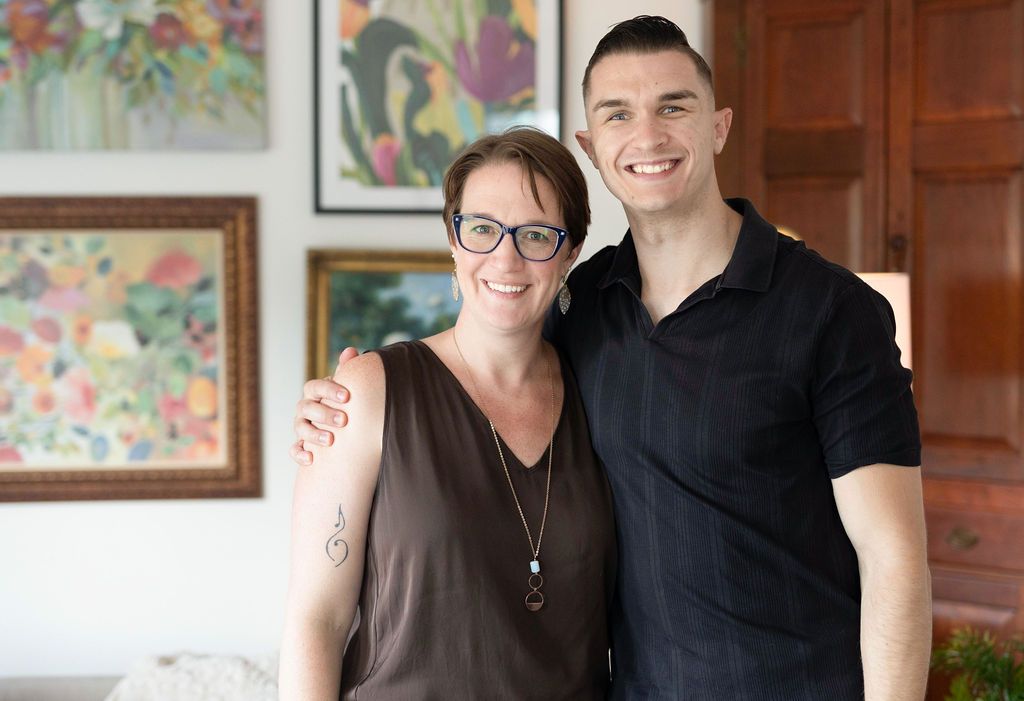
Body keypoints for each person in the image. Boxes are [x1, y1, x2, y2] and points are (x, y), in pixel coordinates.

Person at [292, 17, 931, 701]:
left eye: (674, 106)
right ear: (593, 147)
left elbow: (894, 559)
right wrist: (333, 406)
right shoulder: (586, 308)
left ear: (718, 127)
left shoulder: (831, 310)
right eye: (619, 113)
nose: (648, 136)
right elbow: (481, 354)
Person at [278, 127, 617, 700]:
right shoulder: (370, 390)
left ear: (570, 253)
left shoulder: (602, 389)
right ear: (454, 242)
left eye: (536, 234)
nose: (504, 258)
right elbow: (317, 620)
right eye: (482, 229)